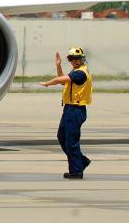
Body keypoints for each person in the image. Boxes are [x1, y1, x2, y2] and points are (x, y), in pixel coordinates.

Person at [38, 46, 93, 179]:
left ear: (82, 59)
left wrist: (47, 83)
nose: (74, 61)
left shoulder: (80, 73)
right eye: (71, 58)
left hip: (76, 110)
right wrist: (58, 65)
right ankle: (81, 161)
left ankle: (76, 171)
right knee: (61, 136)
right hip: (69, 109)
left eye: (77, 58)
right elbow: (63, 80)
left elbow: (59, 80)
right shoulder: (75, 72)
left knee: (71, 141)